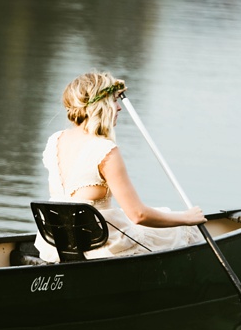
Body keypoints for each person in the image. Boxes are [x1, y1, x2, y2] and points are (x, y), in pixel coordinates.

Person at [34, 71, 206, 262]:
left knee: (164, 214)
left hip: (58, 242)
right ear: (102, 106)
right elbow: (138, 215)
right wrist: (187, 217)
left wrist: (112, 87)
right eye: (114, 101)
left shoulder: (55, 141)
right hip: (100, 245)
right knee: (185, 229)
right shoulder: (105, 151)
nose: (119, 107)